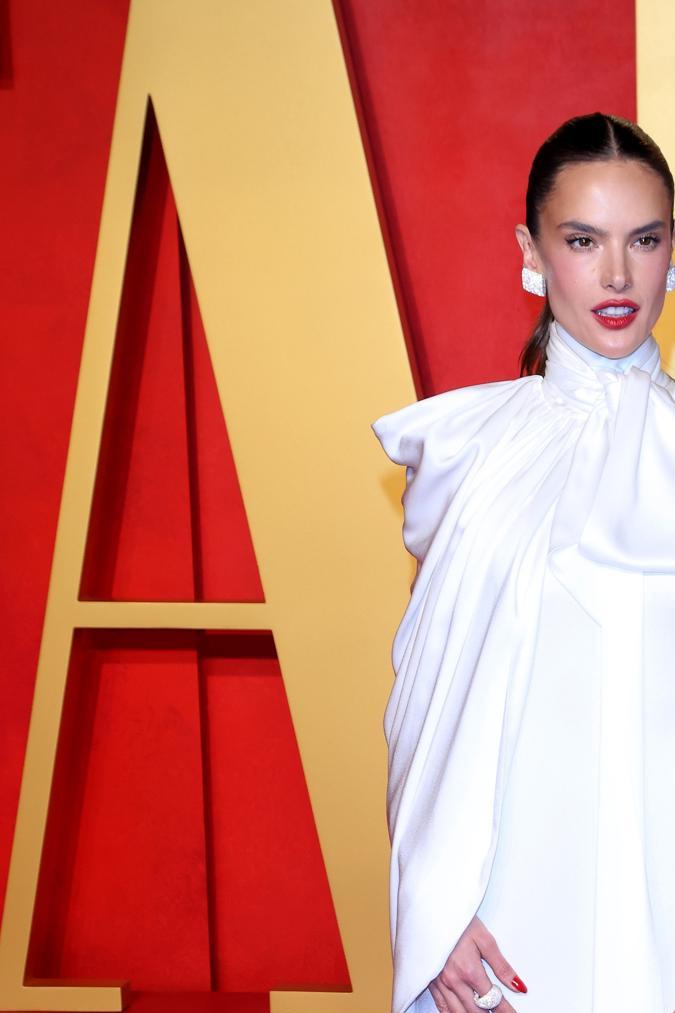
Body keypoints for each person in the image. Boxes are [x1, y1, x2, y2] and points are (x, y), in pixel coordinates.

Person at [372, 112, 675, 1013]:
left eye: (644, 240)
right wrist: (433, 907)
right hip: (509, 924)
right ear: (532, 251)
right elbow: (425, 713)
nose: (616, 275)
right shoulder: (481, 454)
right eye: (582, 241)